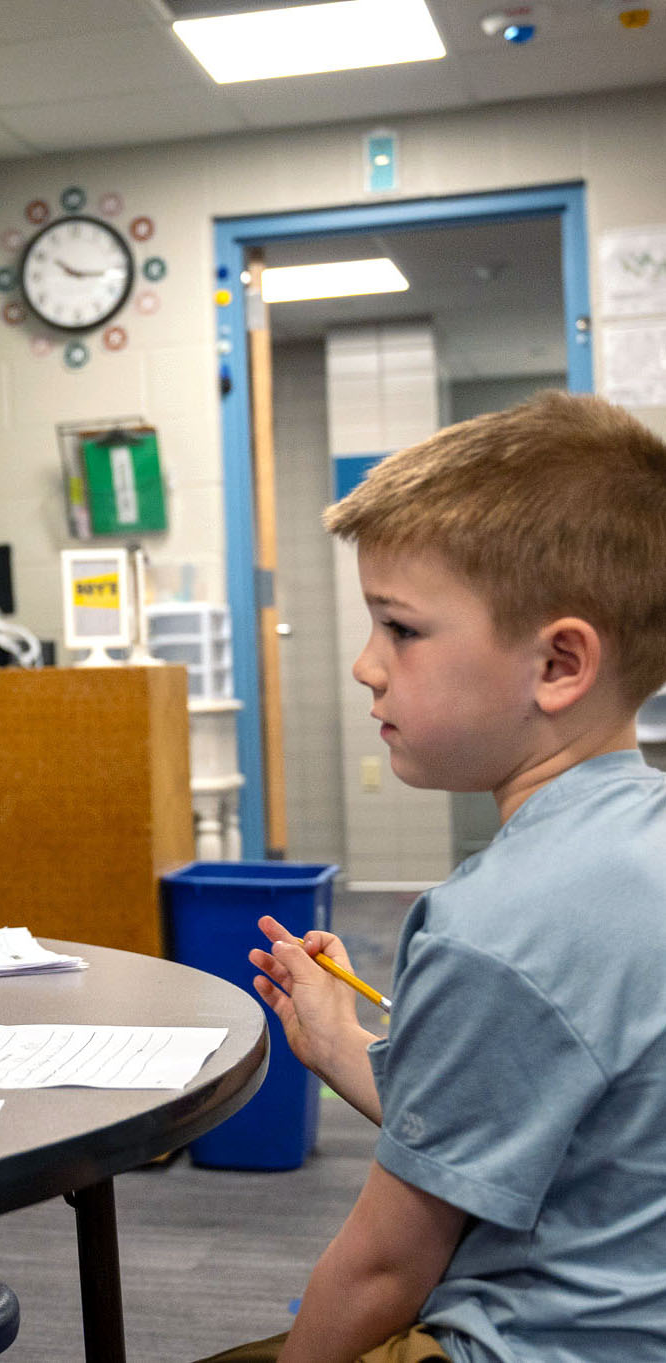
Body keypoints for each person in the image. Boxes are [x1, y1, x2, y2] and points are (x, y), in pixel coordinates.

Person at [202, 391, 666, 1363]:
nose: (367, 666)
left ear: (559, 662)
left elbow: (380, 1271)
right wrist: (347, 1048)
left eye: (400, 629)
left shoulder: (493, 924)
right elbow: (542, 1124)